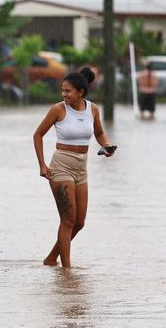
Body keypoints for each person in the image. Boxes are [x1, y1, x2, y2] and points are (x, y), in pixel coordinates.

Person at [33, 67, 115, 268]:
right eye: (62, 90)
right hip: (61, 166)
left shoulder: (93, 109)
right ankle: (67, 271)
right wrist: (42, 165)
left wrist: (106, 146)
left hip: (81, 168)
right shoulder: (58, 110)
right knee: (67, 220)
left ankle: (51, 258)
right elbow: (38, 135)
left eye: (68, 91)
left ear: (81, 92)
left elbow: (100, 134)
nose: (64, 95)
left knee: (79, 223)